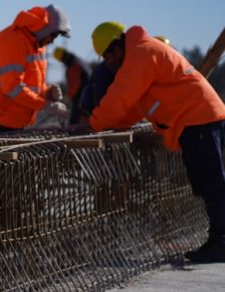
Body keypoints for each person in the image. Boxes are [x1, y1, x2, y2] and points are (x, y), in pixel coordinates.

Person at [88, 22, 225, 263]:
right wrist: (111, 123)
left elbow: (120, 96)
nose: (109, 64)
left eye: (108, 58)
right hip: (198, 119)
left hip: (198, 119)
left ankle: (221, 243)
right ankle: (218, 241)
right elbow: (132, 106)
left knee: (212, 183)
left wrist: (93, 124)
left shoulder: (140, 54)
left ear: (117, 48)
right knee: (208, 183)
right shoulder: (142, 52)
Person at [0, 5, 71, 134]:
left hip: (12, 119)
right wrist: (46, 105)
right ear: (46, 30)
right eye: (53, 36)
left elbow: (30, 85)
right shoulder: (13, 41)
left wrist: (47, 93)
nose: (52, 41)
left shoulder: (37, 44)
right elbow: (12, 88)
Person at [52, 47, 91, 124]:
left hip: (82, 97)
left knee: (75, 120)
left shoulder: (73, 66)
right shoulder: (79, 62)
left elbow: (75, 85)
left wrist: (69, 96)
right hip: (88, 95)